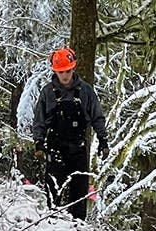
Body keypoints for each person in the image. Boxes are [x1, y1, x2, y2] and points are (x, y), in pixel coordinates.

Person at [31, 47, 109, 220]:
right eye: (60, 72)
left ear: (73, 69)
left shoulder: (86, 91)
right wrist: (38, 142)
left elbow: (97, 117)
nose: (64, 76)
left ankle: (79, 229)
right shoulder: (47, 92)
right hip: (55, 147)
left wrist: (103, 140)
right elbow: (39, 120)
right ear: (55, 72)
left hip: (79, 148)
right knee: (53, 192)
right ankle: (53, 226)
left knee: (79, 194)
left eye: (67, 71)